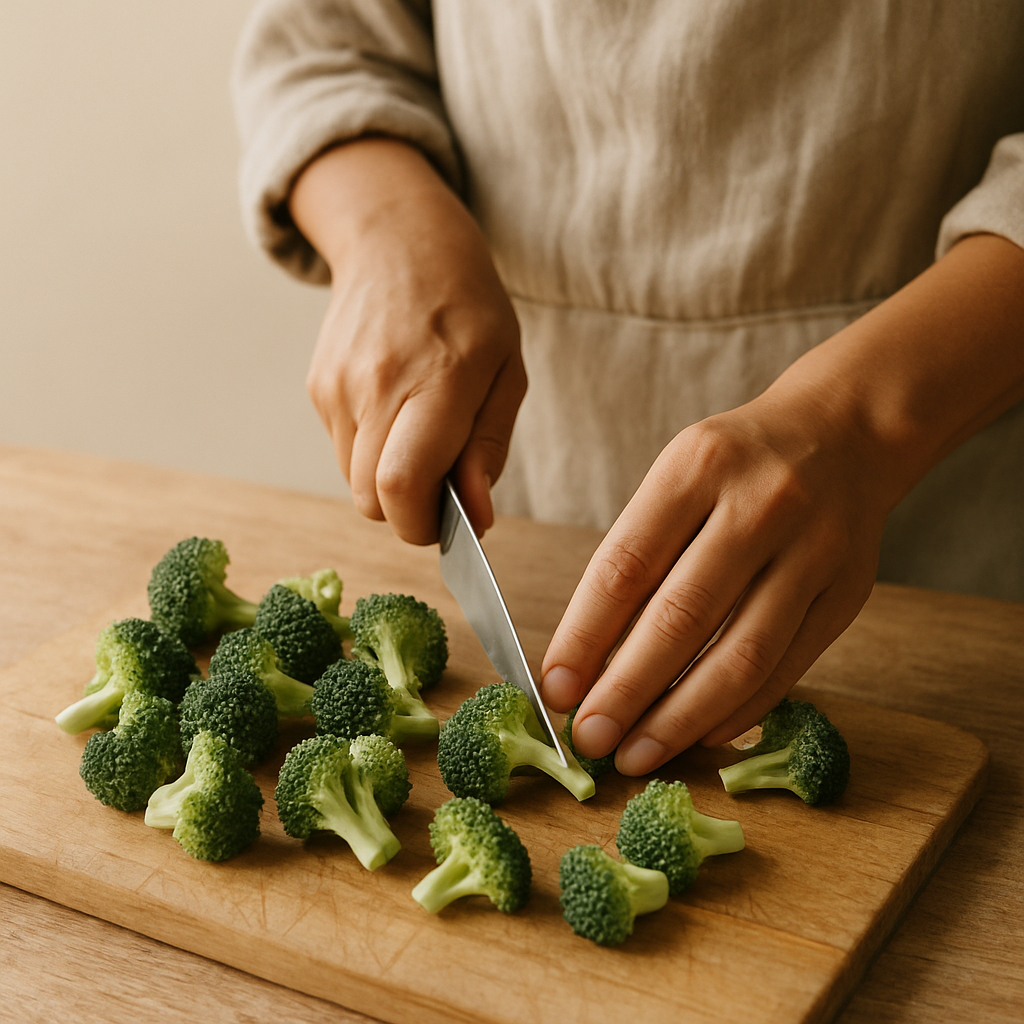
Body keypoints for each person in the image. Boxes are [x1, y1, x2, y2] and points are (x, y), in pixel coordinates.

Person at [232, 1, 1024, 776]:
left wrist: (863, 420)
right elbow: (321, 41)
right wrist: (387, 227)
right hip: (537, 512)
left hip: (955, 560)